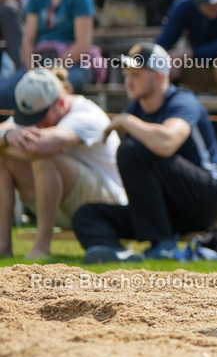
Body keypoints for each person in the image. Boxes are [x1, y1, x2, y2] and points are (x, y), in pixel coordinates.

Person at [72, 43, 217, 263]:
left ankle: (162, 245)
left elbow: (166, 143)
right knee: (87, 215)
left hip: (209, 199)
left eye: (136, 74)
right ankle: (115, 254)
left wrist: (127, 121)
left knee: (132, 150)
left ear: (158, 77)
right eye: (126, 74)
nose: (128, 80)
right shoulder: (136, 109)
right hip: (168, 210)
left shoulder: (183, 101)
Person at [0, 68, 126, 259]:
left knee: (45, 157)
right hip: (67, 204)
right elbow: (11, 133)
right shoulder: (40, 106)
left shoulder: (87, 114)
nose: (35, 125)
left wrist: (6, 141)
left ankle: (41, 248)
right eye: (29, 119)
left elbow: (38, 147)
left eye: (39, 118)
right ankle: (3, 247)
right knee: (4, 155)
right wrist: (7, 135)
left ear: (60, 102)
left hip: (108, 206)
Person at [0, 0, 98, 110]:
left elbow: (83, 43)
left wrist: (56, 68)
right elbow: (28, 39)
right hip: (40, 64)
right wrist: (31, 71)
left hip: (74, 64)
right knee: (3, 95)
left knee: (53, 92)